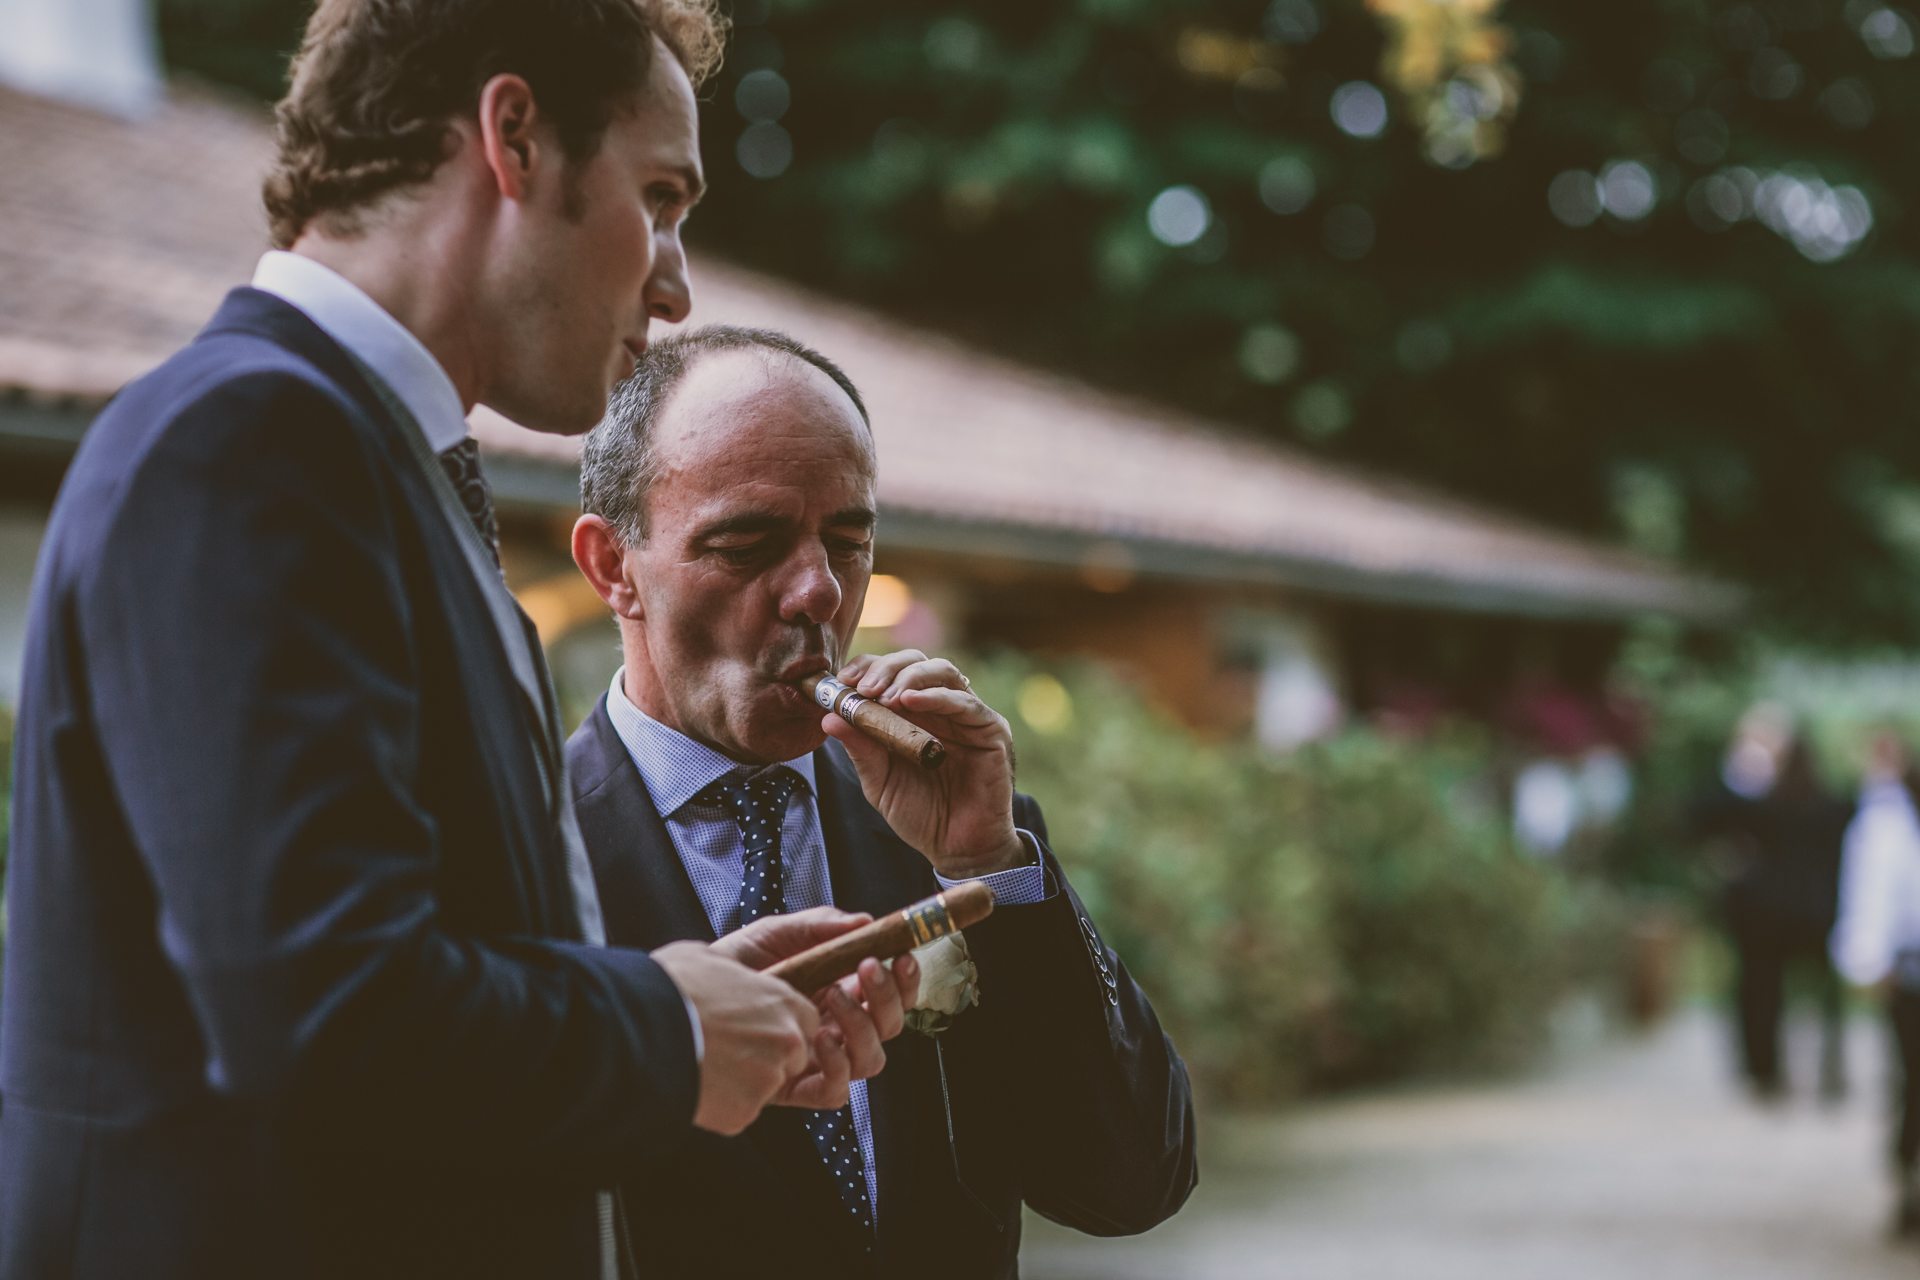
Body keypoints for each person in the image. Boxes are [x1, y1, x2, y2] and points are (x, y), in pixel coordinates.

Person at [0, 5, 914, 1278]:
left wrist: (687, 992)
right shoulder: (249, 442)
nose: (675, 281)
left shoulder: (367, 461)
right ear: (515, 137)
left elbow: (384, 957)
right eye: (659, 197)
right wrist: (661, 1027)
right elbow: (318, 1006)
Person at [565, 325, 1200, 1279]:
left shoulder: (934, 821)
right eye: (748, 544)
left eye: (850, 541)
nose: (820, 591)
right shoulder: (528, 851)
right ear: (615, 568)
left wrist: (989, 865)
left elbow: (1129, 1181)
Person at [1701, 733, 1851, 1101]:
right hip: (1819, 912)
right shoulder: (1833, 806)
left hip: (1769, 916)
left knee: (1763, 992)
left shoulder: (1765, 807)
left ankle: (1767, 1072)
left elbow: (1712, 816)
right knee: (1826, 998)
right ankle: (1829, 1072)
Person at [1831, 733, 1920, 1233]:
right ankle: (1907, 1173)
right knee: (1913, 1080)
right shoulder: (1886, 821)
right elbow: (1869, 894)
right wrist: (1871, 961)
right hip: (1909, 972)